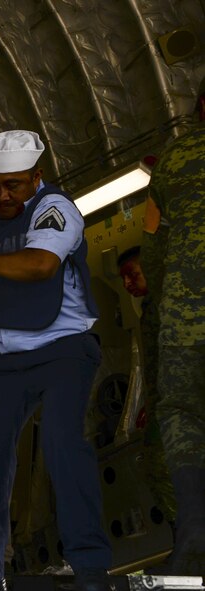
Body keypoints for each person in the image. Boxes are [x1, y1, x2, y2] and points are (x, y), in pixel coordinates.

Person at [0, 130, 110, 591]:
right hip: (8, 357)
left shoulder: (56, 208)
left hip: (62, 348)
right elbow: (2, 275)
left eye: (14, 186)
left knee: (63, 446)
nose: (2, 195)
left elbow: (40, 265)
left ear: (36, 177)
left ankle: (90, 566)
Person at [139, 80, 205, 575]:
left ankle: (197, 530)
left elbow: (154, 252)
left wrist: (162, 308)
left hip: (184, 317)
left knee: (182, 415)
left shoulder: (174, 159)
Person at [116, 247, 176, 528]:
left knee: (162, 470)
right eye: (123, 279)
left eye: (132, 275)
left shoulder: (172, 305)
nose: (128, 284)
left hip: (178, 408)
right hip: (167, 407)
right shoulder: (155, 307)